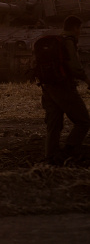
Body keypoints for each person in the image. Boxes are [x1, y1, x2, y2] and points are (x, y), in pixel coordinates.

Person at [40, 15, 90, 164]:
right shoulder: (68, 42)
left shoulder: (54, 40)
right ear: (75, 28)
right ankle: (69, 150)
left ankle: (50, 157)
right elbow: (75, 67)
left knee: (54, 124)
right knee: (83, 121)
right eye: (79, 29)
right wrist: (87, 80)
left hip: (47, 87)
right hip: (63, 87)